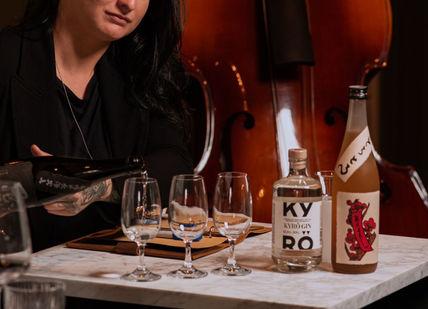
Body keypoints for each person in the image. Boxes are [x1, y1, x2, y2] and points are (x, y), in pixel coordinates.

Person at [0, 0, 192, 251]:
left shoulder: (144, 68)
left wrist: (102, 187)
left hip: (112, 274)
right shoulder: (6, 58)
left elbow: (176, 169)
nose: (128, 3)